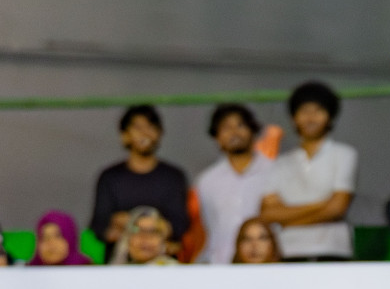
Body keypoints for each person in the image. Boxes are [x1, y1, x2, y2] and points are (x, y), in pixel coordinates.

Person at [260, 81, 357, 260]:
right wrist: (323, 204)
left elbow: (337, 208)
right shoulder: (279, 163)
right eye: (304, 111)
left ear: (330, 116)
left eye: (318, 111)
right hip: (288, 252)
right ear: (293, 118)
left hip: (332, 251)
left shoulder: (344, 154)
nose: (311, 118)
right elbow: (268, 213)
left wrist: (287, 222)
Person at [90, 104, 190, 260]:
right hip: (119, 266)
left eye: (150, 127)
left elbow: (180, 225)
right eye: (137, 127)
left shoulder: (173, 177)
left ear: (159, 133)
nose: (144, 133)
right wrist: (122, 228)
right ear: (125, 135)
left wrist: (147, 228)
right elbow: (99, 226)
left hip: (163, 265)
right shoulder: (110, 177)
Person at [194, 103, 274, 265]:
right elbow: (207, 228)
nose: (234, 132)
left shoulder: (275, 171)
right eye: (225, 127)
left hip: (265, 267)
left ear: (253, 131)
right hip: (220, 266)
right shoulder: (207, 181)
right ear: (216, 137)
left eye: (240, 125)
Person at [112, 206, 176, 265]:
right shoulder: (115, 273)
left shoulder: (176, 271)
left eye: (153, 232)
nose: (145, 238)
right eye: (138, 231)